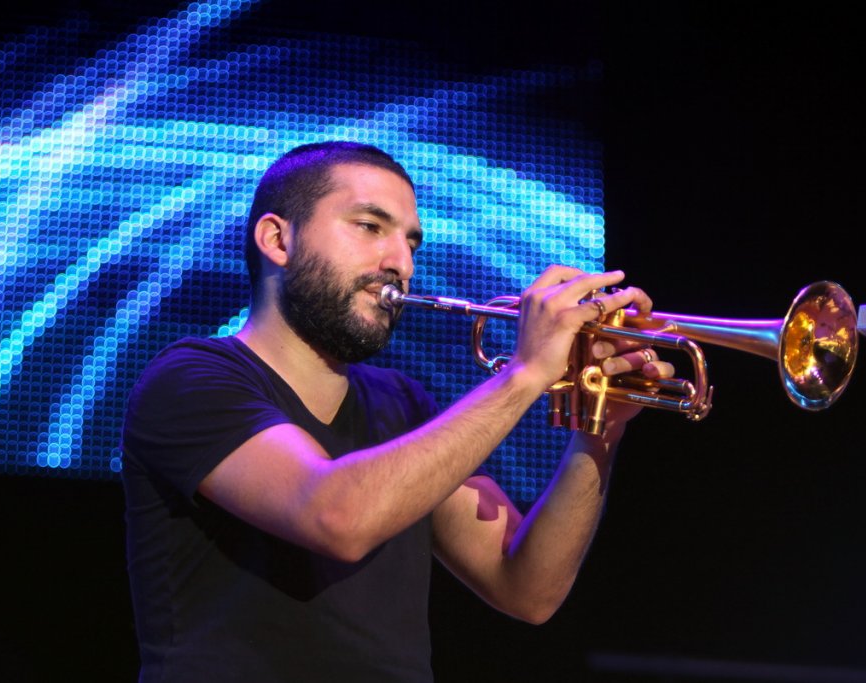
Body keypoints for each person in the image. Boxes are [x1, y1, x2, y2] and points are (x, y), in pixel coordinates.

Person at [121, 140, 672, 682]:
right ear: (277, 239)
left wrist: (598, 432)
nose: (400, 263)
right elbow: (335, 516)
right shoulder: (191, 378)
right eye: (370, 227)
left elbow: (526, 589)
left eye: (412, 243)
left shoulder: (403, 404)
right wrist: (525, 374)